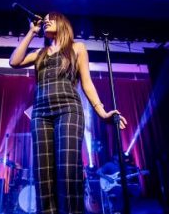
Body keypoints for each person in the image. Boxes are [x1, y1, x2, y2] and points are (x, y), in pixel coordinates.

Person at [9, 12, 127, 214]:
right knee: (43, 174)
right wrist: (31, 32)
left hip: (68, 110)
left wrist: (103, 112)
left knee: (67, 171)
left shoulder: (77, 47)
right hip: (41, 113)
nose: (46, 22)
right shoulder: (40, 53)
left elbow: (87, 82)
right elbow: (14, 61)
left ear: (62, 23)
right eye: (44, 20)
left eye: (50, 19)